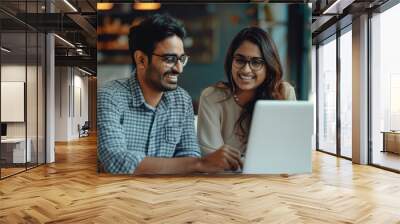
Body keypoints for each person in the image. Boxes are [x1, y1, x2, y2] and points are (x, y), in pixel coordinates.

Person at [97, 14, 242, 175]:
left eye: (181, 59)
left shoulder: (181, 100)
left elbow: (188, 155)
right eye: (170, 59)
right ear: (141, 60)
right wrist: (198, 164)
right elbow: (115, 161)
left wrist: (194, 164)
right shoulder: (110, 96)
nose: (179, 69)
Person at [197, 27, 296, 156]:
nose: (246, 70)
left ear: (269, 66)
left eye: (256, 62)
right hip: (224, 176)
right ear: (231, 61)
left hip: (271, 176)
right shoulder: (211, 97)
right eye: (240, 60)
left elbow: (287, 152)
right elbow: (212, 159)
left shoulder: (284, 93)